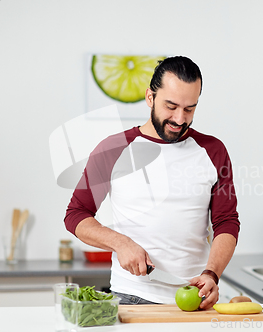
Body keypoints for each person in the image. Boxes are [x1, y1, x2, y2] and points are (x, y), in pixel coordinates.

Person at [64, 56, 240, 309]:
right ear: (150, 97)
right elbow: (76, 214)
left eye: (189, 109)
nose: (180, 119)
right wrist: (121, 243)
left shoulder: (213, 150)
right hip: (131, 297)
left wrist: (212, 273)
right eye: (171, 106)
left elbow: (226, 222)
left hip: (196, 298)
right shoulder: (114, 149)